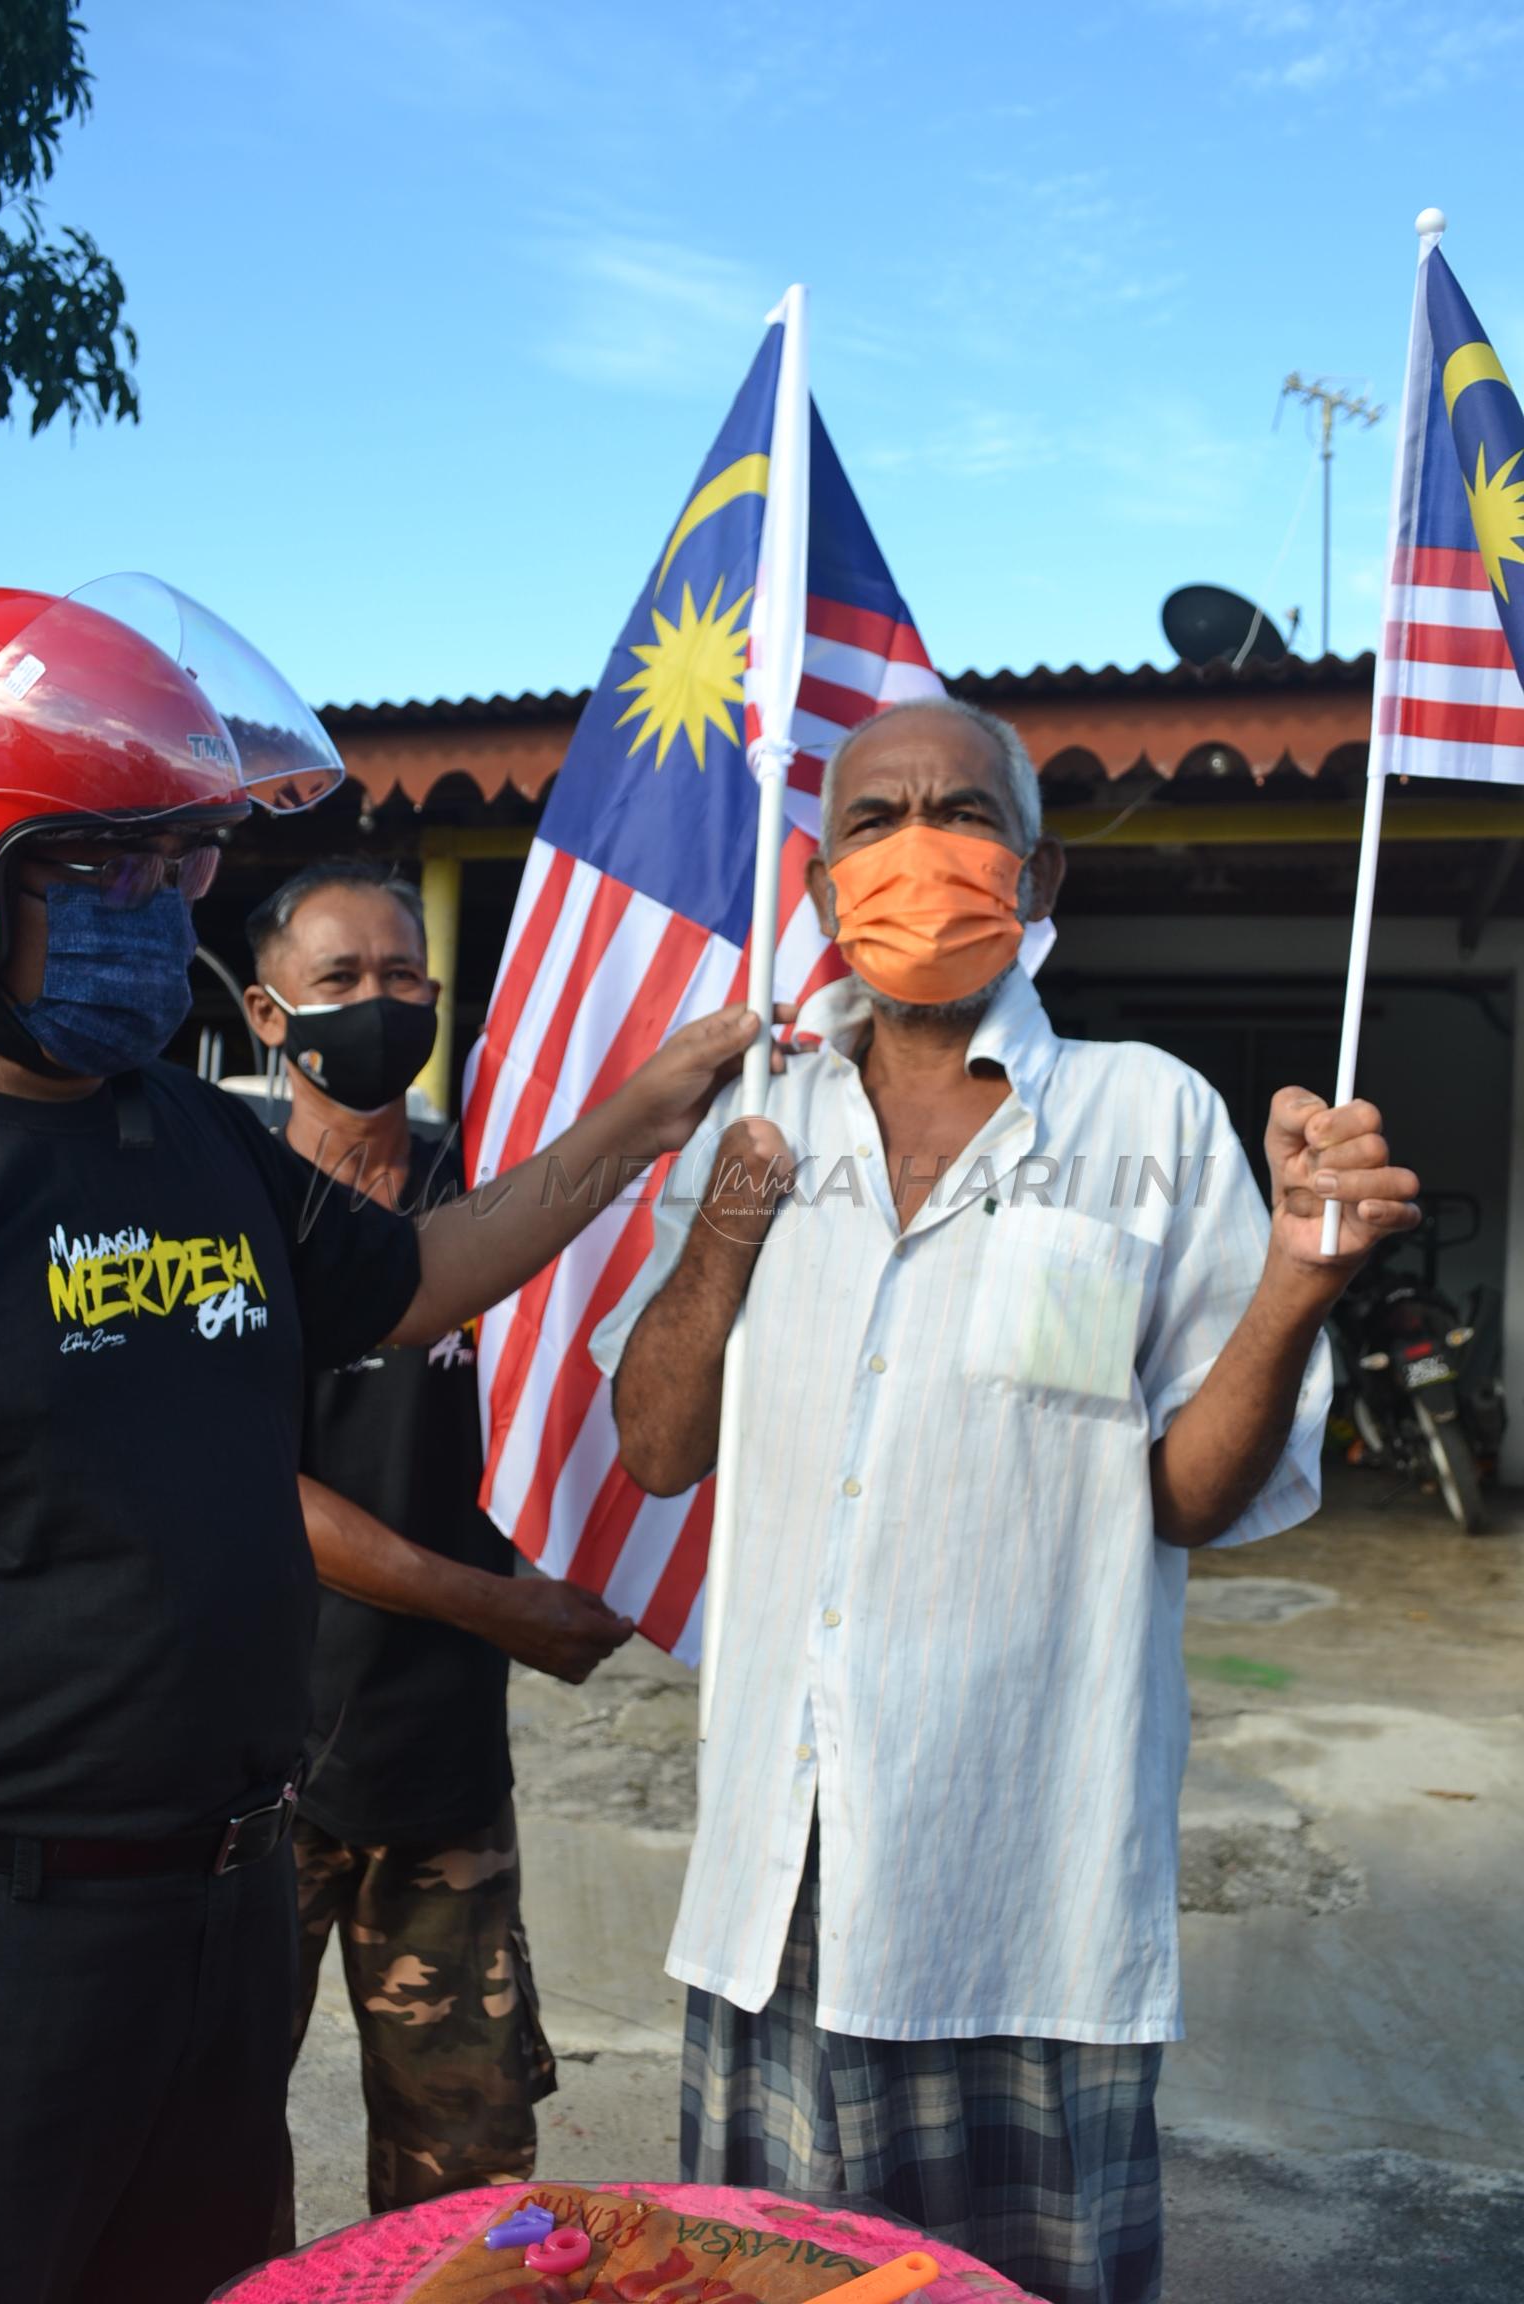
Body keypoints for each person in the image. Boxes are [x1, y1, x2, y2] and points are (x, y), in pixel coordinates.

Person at [0, 582, 764, 2304]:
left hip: (228, 1884)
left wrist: (645, 1116)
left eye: (175, 865)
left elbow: (414, 1282)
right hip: (24, 1916)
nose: (155, 911)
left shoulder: (184, 1129)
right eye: (96, 870)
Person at [593, 697, 1421, 2304]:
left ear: (1036, 881)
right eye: (872, 822)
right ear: (825, 893)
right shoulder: (762, 1128)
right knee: (758, 2283)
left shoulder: (1147, 1117)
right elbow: (655, 1449)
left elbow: (1188, 1494)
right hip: (779, 1871)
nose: (918, 853)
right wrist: (724, 1228)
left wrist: (1296, 1294)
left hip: (1018, 1884)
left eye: (959, 815)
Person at [238, 857, 633, 2229]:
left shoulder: (492, 1207)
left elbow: (609, 1379)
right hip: (246, 1782)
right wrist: (499, 1607)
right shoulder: (225, 1212)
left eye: (404, 976)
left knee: (464, 2177)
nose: (378, 1001)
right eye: (339, 979)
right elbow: (253, 1487)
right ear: (266, 1012)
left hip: (440, 1771)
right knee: (203, 2149)